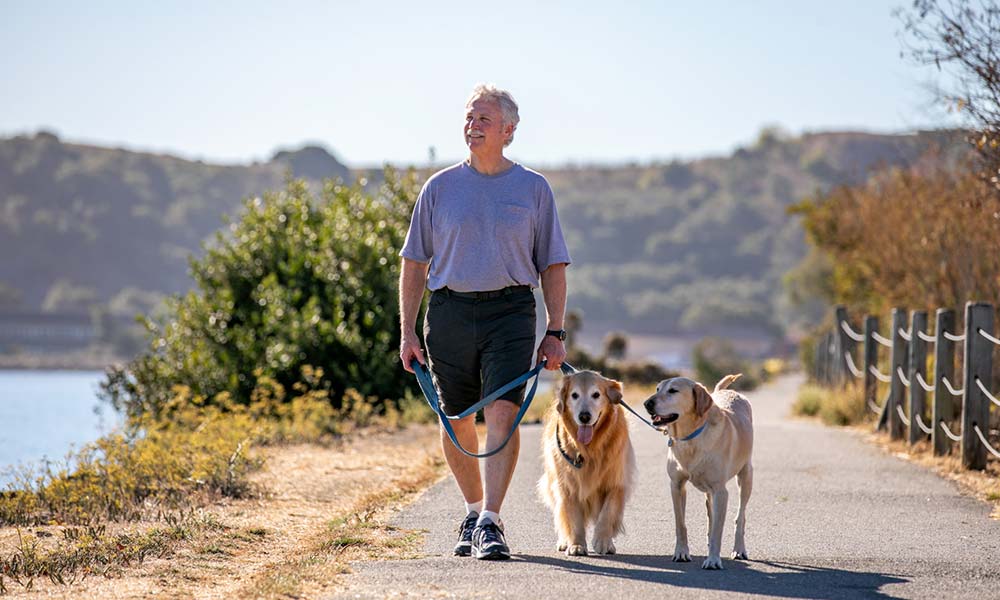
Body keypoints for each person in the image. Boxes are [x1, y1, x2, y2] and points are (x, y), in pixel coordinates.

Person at [398, 83, 571, 560]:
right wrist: (407, 331)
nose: (473, 126)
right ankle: (473, 511)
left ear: (509, 130)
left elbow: (553, 264)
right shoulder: (439, 188)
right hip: (449, 310)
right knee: (455, 420)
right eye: (469, 117)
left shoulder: (534, 188)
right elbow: (413, 262)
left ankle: (492, 522)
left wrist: (555, 330)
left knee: (503, 413)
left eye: (484, 120)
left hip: (511, 311)